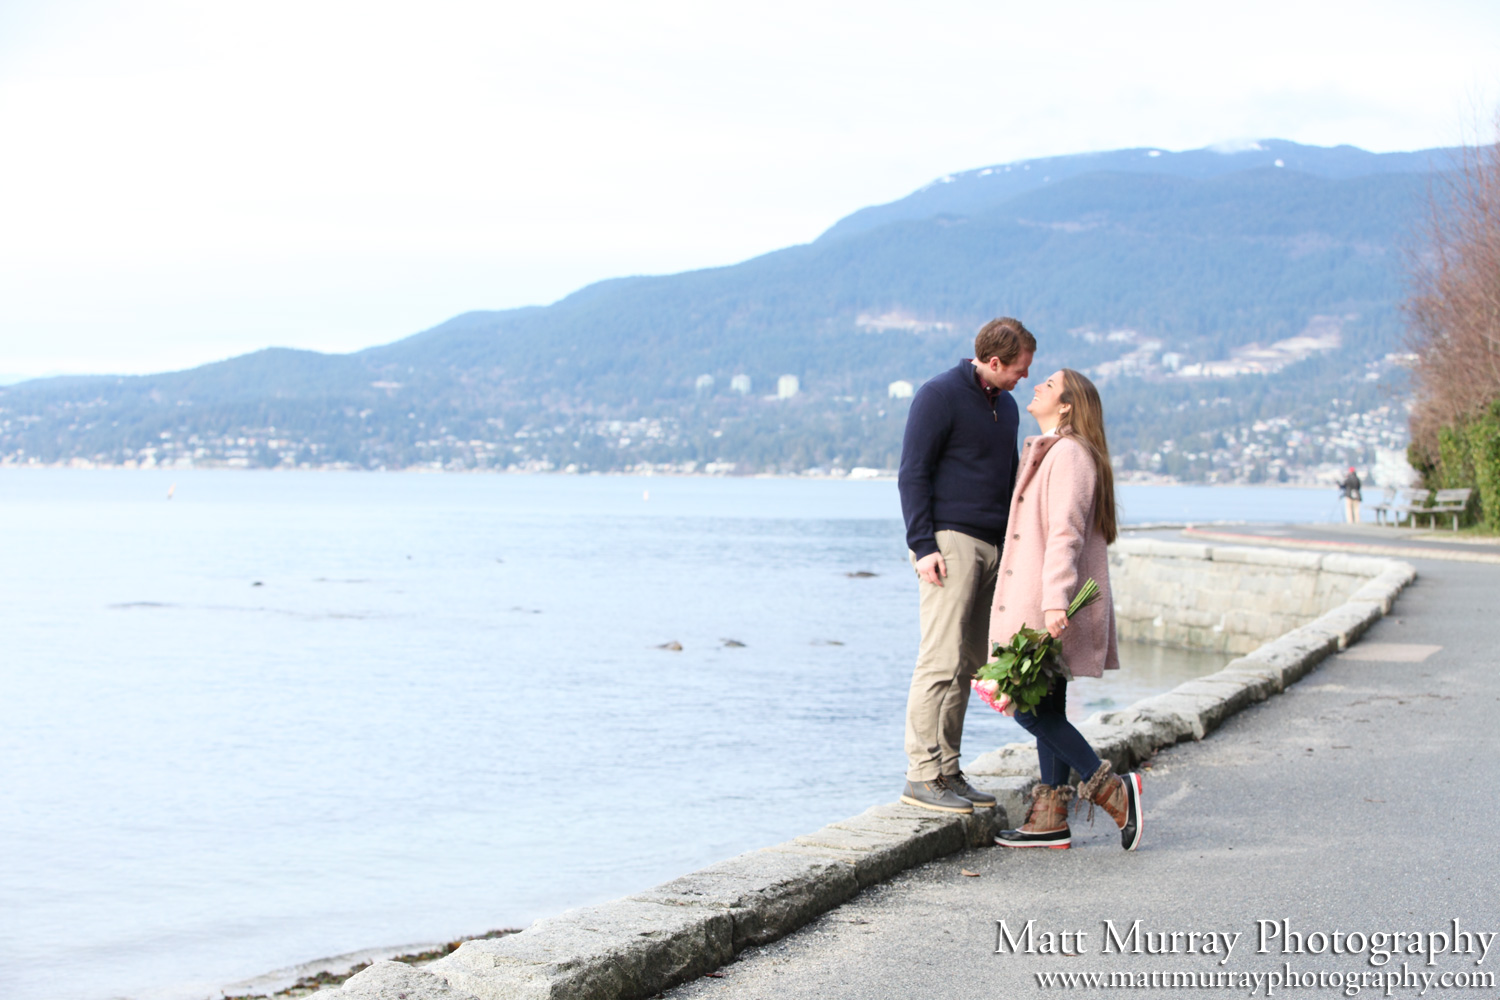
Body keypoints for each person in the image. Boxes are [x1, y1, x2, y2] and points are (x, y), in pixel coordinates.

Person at [989, 368, 1144, 851]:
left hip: (1046, 604)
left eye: (1049, 385)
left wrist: (1055, 599)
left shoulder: (1071, 455)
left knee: (1023, 704)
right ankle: (1051, 817)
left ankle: (1112, 790)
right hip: (1041, 601)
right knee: (1046, 702)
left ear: (1067, 405)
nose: (1036, 386)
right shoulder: (1057, 451)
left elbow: (1066, 533)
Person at [897, 317, 1035, 813]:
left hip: (994, 547)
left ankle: (948, 770)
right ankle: (921, 773)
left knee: (969, 663)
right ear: (994, 362)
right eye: (1019, 368)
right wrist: (922, 545)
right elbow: (912, 473)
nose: (1024, 377)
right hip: (949, 542)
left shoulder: (1009, 407)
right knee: (938, 659)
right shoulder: (939, 395)